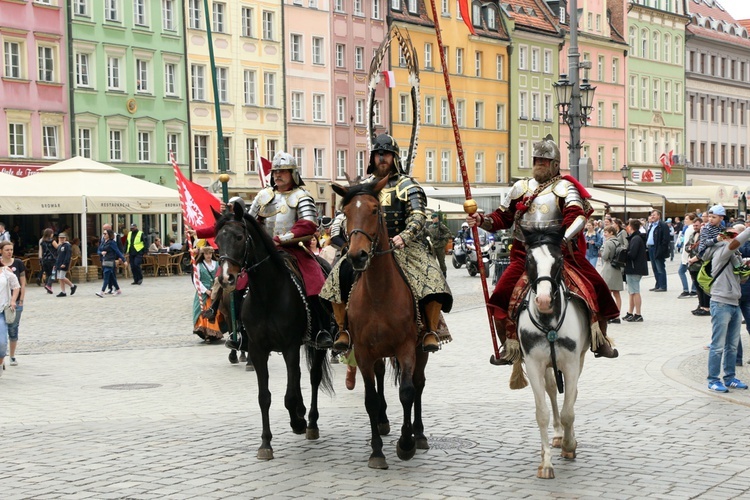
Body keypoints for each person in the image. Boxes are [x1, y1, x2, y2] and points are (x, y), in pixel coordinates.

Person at [466, 134, 618, 363]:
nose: (539, 163)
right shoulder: (520, 187)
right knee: (499, 297)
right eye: (537, 159)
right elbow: (502, 217)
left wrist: (563, 239)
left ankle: (600, 339)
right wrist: (481, 220)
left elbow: (577, 217)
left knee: (596, 286)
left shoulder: (565, 187)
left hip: (561, 253)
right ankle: (509, 347)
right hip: (524, 254)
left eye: (544, 161)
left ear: (555, 165)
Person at [323, 133, 453, 353]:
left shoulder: (408, 185)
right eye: (378, 154)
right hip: (368, 246)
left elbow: (418, 216)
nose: (382, 158)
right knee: (335, 277)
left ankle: (430, 330)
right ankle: (343, 328)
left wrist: (404, 236)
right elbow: (346, 217)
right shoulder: (363, 187)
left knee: (432, 276)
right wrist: (350, 240)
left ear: (395, 158)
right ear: (373, 158)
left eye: (387, 154)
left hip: (404, 244)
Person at [196, 152, 334, 349]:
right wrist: (201, 231)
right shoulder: (263, 196)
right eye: (276, 171)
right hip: (264, 253)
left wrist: (280, 239)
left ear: (293, 174)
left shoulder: (302, 196)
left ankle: (321, 329)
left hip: (293, 250)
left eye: (283, 171)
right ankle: (241, 333)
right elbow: (242, 224)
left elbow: (308, 225)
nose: (278, 175)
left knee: (316, 280)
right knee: (237, 284)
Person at [704, 224, 750, 393]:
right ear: (724, 236)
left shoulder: (735, 257)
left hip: (734, 302)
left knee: (732, 345)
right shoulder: (722, 251)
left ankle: (730, 377)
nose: (734, 237)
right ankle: (713, 379)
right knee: (717, 345)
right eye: (730, 234)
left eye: (735, 234)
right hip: (721, 303)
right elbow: (737, 242)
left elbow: (739, 279)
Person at [0, 241, 25, 366]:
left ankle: (12, 355)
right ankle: (1, 358)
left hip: (12, 304)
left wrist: (20, 300)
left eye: (11, 249)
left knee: (13, 329)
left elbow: (22, 283)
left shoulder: (17, 263)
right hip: (3, 302)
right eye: (7, 250)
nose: (9, 252)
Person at [192, 244, 223, 342]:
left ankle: (215, 331)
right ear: (203, 255)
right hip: (204, 293)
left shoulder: (217, 264)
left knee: (217, 312)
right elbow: (196, 280)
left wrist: (216, 289)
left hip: (216, 291)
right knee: (205, 312)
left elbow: (220, 277)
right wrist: (206, 290)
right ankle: (206, 331)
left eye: (210, 253)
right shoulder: (199, 266)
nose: (208, 255)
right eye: (206, 254)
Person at [622, 219, 649, 322]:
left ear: (631, 227)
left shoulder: (636, 239)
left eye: (628, 225)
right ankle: (630, 312)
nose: (627, 227)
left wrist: (624, 253)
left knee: (635, 291)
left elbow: (632, 254)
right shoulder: (636, 238)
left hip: (634, 268)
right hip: (634, 268)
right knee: (631, 292)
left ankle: (638, 313)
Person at [600, 226, 624, 323]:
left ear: (611, 232)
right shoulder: (618, 242)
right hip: (617, 269)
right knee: (617, 294)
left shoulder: (608, 243)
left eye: (606, 232)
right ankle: (617, 315)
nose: (604, 234)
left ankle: (609, 314)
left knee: (608, 293)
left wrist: (602, 251)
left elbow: (605, 256)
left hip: (609, 269)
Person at [0, 262, 20, 377]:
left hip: (2, 311)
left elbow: (16, 286)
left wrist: (13, 300)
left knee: (2, 342)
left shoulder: (5, 272)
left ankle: (1, 361)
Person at [96, 229, 127, 297]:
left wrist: (124, 260)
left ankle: (102, 291)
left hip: (110, 261)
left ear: (109, 235)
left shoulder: (112, 242)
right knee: (112, 276)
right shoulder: (103, 242)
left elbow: (117, 251)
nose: (104, 235)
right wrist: (101, 253)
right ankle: (118, 290)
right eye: (103, 234)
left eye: (105, 234)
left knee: (106, 276)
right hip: (104, 260)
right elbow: (98, 250)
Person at [645, 210, 670, 292]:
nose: (652, 216)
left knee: (660, 268)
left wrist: (661, 250)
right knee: (654, 268)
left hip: (658, 249)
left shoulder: (662, 225)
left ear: (659, 216)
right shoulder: (652, 225)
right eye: (651, 215)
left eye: (654, 215)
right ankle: (658, 284)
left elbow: (665, 239)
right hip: (651, 248)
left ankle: (663, 286)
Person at [677, 213, 698, 299]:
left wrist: (685, 257)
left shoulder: (690, 229)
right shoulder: (688, 228)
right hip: (690, 254)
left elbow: (687, 243)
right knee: (693, 272)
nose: (685, 220)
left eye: (687, 219)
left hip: (688, 255)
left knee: (682, 271)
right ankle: (693, 290)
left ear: (692, 220)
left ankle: (687, 290)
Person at [427, 212, 452, 277]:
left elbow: (449, 233)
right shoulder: (430, 227)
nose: (433, 219)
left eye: (434, 218)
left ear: (437, 218)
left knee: (441, 261)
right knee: (432, 261)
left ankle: (444, 274)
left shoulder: (441, 226)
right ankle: (433, 275)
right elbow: (428, 234)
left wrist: (442, 237)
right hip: (433, 246)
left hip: (440, 246)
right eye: (432, 218)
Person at [54, 233, 76, 297]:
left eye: (63, 238)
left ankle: (72, 286)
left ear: (65, 238)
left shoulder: (67, 245)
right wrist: (56, 264)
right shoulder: (60, 246)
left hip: (63, 264)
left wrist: (65, 263)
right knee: (60, 278)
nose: (62, 239)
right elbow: (58, 256)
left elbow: (68, 256)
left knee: (62, 277)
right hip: (59, 263)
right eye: (60, 238)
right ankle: (63, 291)